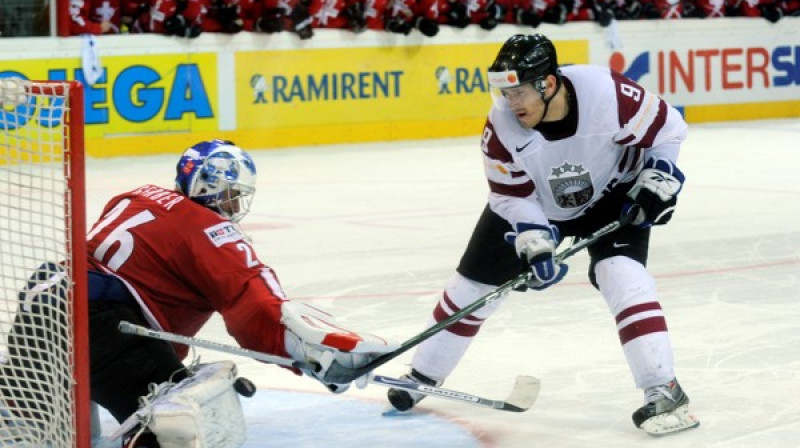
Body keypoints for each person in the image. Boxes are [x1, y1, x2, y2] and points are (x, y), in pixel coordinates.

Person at [386, 33, 699, 436]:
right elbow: (509, 197)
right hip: (537, 201)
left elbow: (669, 132)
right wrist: (534, 240)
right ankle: (422, 375)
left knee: (622, 274)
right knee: (473, 286)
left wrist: (660, 177)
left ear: (548, 84)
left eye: (517, 92)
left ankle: (663, 388)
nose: (509, 103)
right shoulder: (501, 127)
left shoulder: (609, 94)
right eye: (503, 92)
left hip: (614, 193)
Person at [4, 139, 395, 447]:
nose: (235, 204)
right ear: (210, 187)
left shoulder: (133, 196)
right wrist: (314, 357)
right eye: (231, 194)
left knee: (23, 420)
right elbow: (256, 306)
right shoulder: (212, 231)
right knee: (175, 427)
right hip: (101, 327)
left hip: (40, 310)